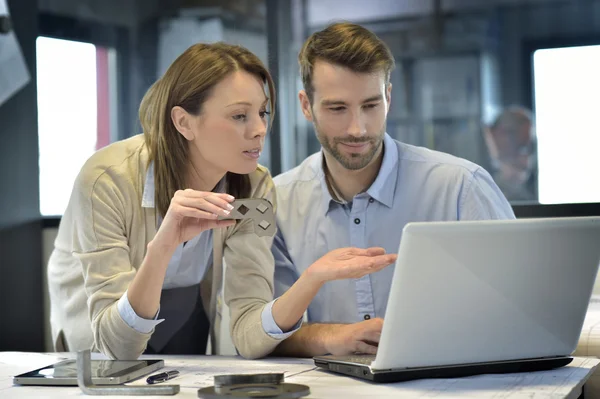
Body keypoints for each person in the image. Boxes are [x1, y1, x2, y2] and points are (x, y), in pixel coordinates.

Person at [47, 42, 396, 360]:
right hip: (95, 348)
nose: (259, 129)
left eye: (263, 112)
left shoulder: (255, 187)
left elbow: (248, 334)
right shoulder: (106, 180)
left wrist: (312, 279)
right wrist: (163, 246)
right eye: (239, 115)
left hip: (185, 319)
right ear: (184, 122)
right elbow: (115, 346)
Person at [271, 22, 516, 357]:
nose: (357, 129)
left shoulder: (461, 187)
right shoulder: (277, 202)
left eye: (371, 106)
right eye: (337, 108)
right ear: (305, 106)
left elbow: (516, 312)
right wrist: (333, 337)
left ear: (389, 96)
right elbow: (266, 330)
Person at [482, 106, 537, 202]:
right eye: (521, 146)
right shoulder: (475, 153)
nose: (522, 156)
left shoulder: (518, 170)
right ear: (501, 132)